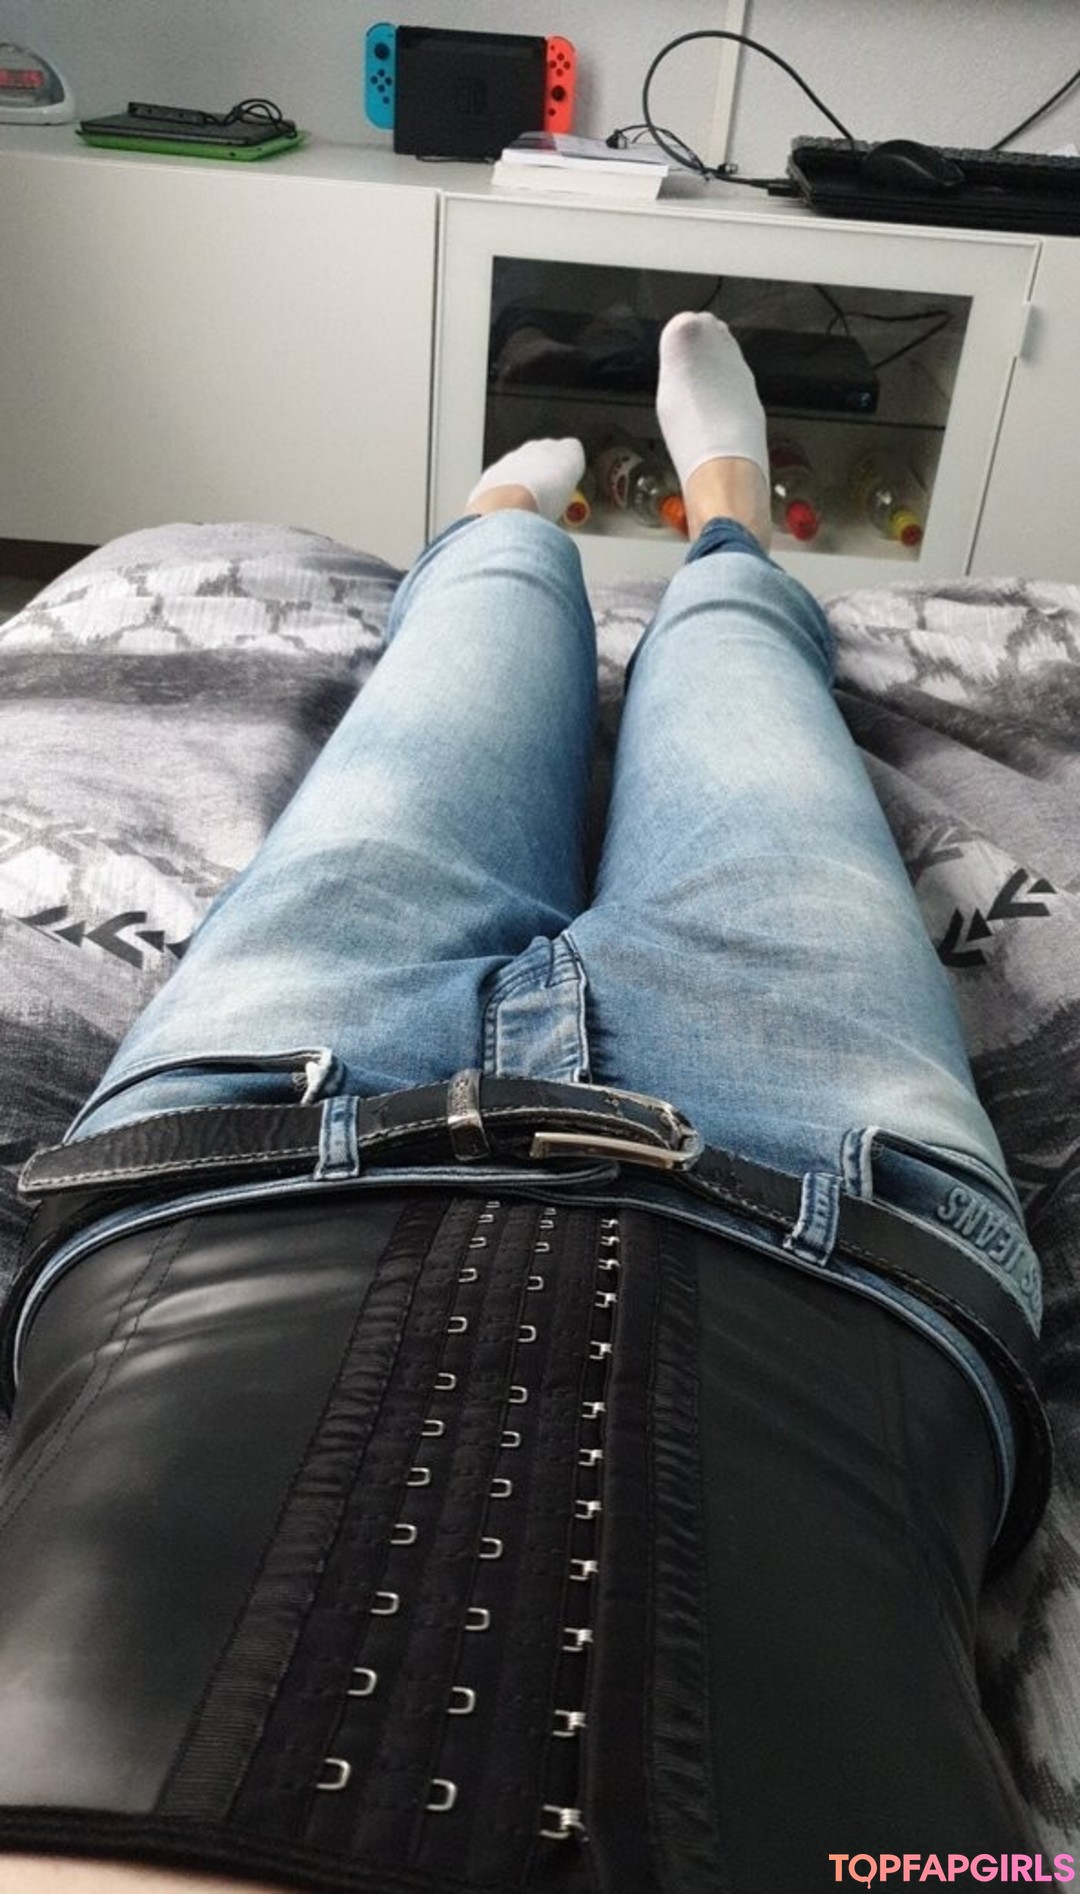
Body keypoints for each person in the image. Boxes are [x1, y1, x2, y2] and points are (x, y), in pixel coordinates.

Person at [0, 315, 1051, 1894]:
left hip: (247, 1145)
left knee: (455, 669)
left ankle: (506, 524)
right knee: (746, 679)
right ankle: (728, 516)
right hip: (835, 1214)